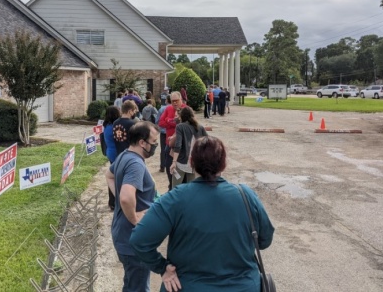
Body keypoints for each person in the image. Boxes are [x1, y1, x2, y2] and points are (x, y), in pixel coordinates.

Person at [130, 136, 275, 292]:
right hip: (243, 286)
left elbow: (139, 240)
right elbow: (264, 240)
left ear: (192, 162)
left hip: (187, 286)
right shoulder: (246, 195)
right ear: (224, 163)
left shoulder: (175, 198)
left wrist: (162, 267)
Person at [106, 121, 160, 292]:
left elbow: (109, 175)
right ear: (142, 143)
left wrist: (122, 197)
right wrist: (136, 219)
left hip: (123, 236)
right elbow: (127, 198)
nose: (156, 146)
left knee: (131, 284)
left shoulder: (124, 155)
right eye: (154, 142)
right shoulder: (136, 164)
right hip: (132, 242)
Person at [170, 106, 208, 188]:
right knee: (191, 189)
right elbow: (208, 141)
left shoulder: (180, 126)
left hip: (181, 162)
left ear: (182, 116)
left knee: (176, 189)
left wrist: (174, 162)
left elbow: (178, 145)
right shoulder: (200, 127)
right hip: (194, 163)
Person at [158, 92, 187, 190]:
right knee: (169, 168)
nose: (174, 103)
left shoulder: (186, 109)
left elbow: (188, 125)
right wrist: (172, 121)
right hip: (169, 144)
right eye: (172, 101)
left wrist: (169, 121)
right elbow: (161, 123)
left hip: (183, 146)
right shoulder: (168, 108)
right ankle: (171, 187)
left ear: (181, 100)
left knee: (183, 170)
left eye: (176, 101)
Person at [103, 105, 121, 210]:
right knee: (114, 178)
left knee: (113, 176)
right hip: (115, 154)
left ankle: (112, 201)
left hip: (110, 152)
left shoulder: (107, 125)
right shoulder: (113, 127)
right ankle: (113, 202)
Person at [156, 95, 171, 172]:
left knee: (163, 149)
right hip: (172, 131)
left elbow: (157, 120)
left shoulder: (162, 109)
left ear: (166, 100)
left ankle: (162, 166)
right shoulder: (175, 109)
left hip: (163, 132)